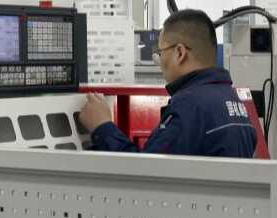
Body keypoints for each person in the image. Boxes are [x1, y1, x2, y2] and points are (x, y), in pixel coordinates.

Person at [79, 9, 257, 157]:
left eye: (161, 52)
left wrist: (102, 126)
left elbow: (144, 172)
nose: (160, 61)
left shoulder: (189, 107)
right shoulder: (232, 99)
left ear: (180, 53)